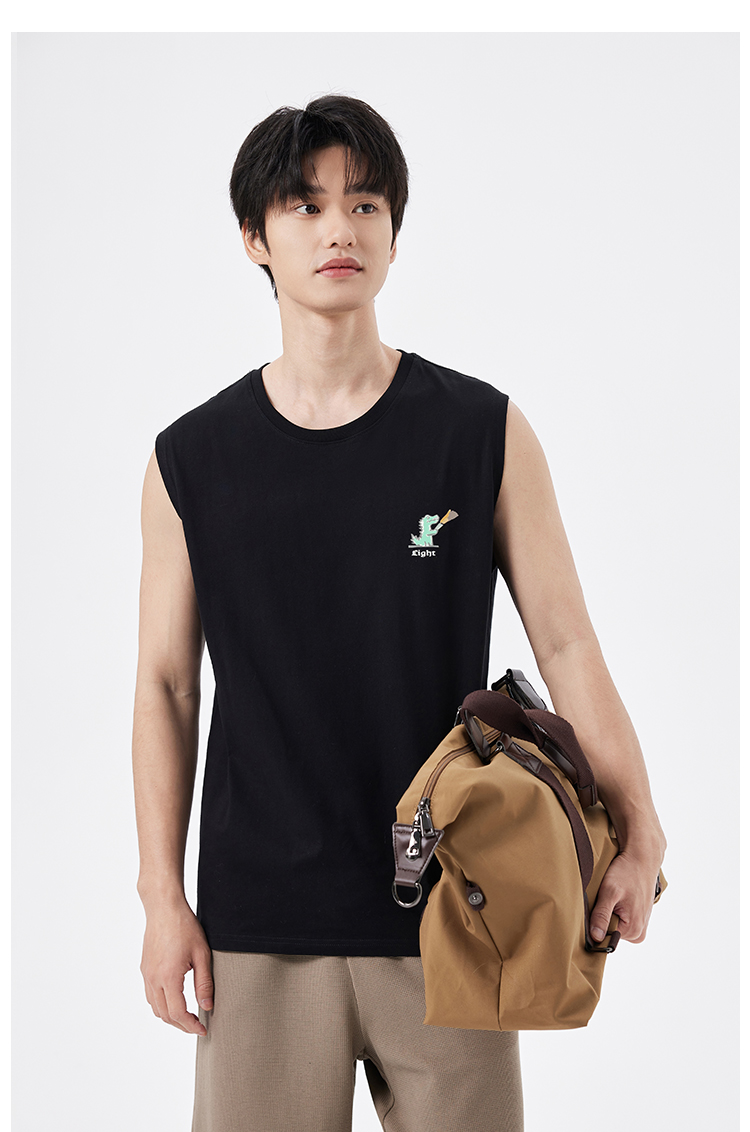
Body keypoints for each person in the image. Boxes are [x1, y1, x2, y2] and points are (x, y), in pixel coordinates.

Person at [132, 94, 667, 1132]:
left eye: (366, 204)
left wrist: (641, 829)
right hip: (259, 923)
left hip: (457, 908)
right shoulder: (190, 460)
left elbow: (567, 643)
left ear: (393, 232)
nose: (340, 227)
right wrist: (163, 898)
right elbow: (166, 686)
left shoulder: (480, 431)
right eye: (306, 205)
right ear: (255, 237)